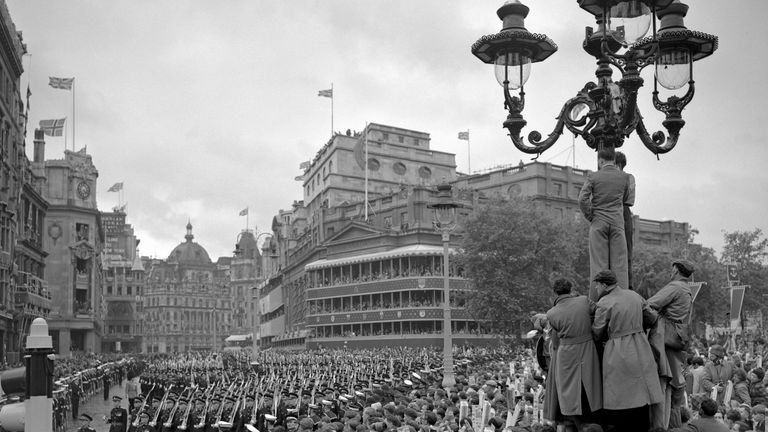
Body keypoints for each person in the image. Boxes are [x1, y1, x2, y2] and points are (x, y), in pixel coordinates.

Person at [591, 270, 662, 432]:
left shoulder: (604, 303)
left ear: (603, 285)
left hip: (617, 351)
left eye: (596, 285)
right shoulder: (634, 295)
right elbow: (652, 318)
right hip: (641, 347)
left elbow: (597, 332)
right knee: (642, 394)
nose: (596, 289)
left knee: (620, 396)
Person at [545, 278, 602, 431]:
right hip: (587, 348)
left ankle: (575, 421)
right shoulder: (584, 301)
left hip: (566, 354)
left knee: (569, 392)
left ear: (555, 293)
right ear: (570, 290)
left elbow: (555, 338)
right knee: (591, 385)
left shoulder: (551, 313)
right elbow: (600, 312)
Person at [579, 148, 633, 299]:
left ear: (600, 161)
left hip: (598, 223)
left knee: (598, 266)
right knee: (620, 266)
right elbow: (627, 200)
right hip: (617, 223)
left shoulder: (593, 176)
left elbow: (582, 199)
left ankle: (596, 303)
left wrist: (591, 215)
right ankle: (622, 301)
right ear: (614, 161)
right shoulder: (624, 177)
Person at [648, 259, 695, 430]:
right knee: (670, 387)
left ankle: (659, 427)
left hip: (663, 340)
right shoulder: (687, 289)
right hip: (676, 342)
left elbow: (649, 304)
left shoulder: (675, 287)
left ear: (675, 269)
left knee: (661, 385)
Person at [614, 151, 635, 289]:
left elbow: (629, 200)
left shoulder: (628, 178)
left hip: (622, 213)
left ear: (619, 164)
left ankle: (627, 286)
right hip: (612, 212)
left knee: (625, 252)